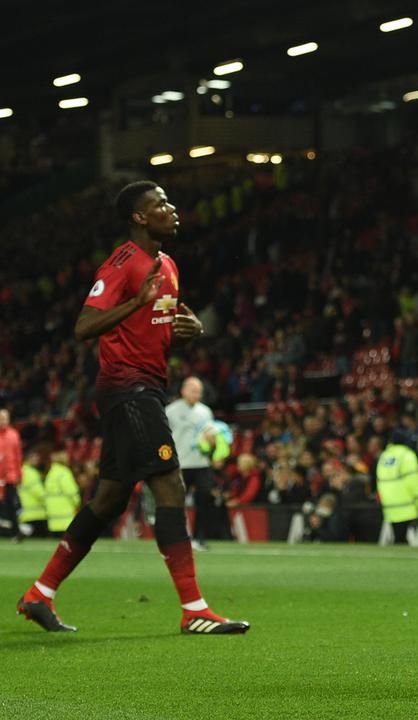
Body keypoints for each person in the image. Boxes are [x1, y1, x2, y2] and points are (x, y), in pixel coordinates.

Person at [16, 181, 249, 635]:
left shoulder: (168, 264)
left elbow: (162, 325)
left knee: (108, 500)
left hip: (147, 386)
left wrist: (191, 329)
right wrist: (134, 302)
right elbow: (84, 326)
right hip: (128, 388)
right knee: (169, 485)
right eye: (160, 204)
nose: (172, 209)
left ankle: (39, 594)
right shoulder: (121, 265)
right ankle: (194, 609)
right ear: (139, 218)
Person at [165, 376, 215, 550]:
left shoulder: (205, 412)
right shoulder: (171, 411)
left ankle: (199, 537)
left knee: (205, 497)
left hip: (201, 462)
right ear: (183, 390)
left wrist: (212, 442)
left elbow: (211, 436)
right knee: (176, 502)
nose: (197, 394)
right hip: (180, 464)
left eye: (199, 391)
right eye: (194, 390)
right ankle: (176, 537)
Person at [375, 429, 418, 544]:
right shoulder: (407, 455)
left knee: (399, 536)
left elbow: (380, 480)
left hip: (389, 504)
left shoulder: (384, 456)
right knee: (401, 537)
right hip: (405, 504)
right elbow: (413, 481)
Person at [0, 408, 24, 539]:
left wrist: (20, 475)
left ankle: (15, 531)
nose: (2, 420)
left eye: (4, 418)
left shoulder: (13, 435)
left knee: (11, 504)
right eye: (0, 418)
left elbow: (18, 456)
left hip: (10, 476)